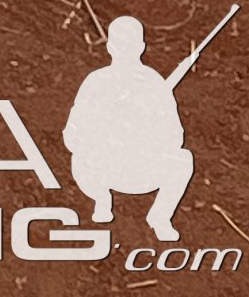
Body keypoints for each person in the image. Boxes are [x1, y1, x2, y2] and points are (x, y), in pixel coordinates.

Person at [65, 15, 198, 241]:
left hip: (141, 170)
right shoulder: (97, 82)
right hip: (104, 169)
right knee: (80, 157)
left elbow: (175, 137)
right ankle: (101, 199)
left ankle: (159, 217)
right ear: (141, 47)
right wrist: (107, 132)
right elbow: (73, 135)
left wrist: (144, 128)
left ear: (109, 46)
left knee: (183, 159)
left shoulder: (153, 84)